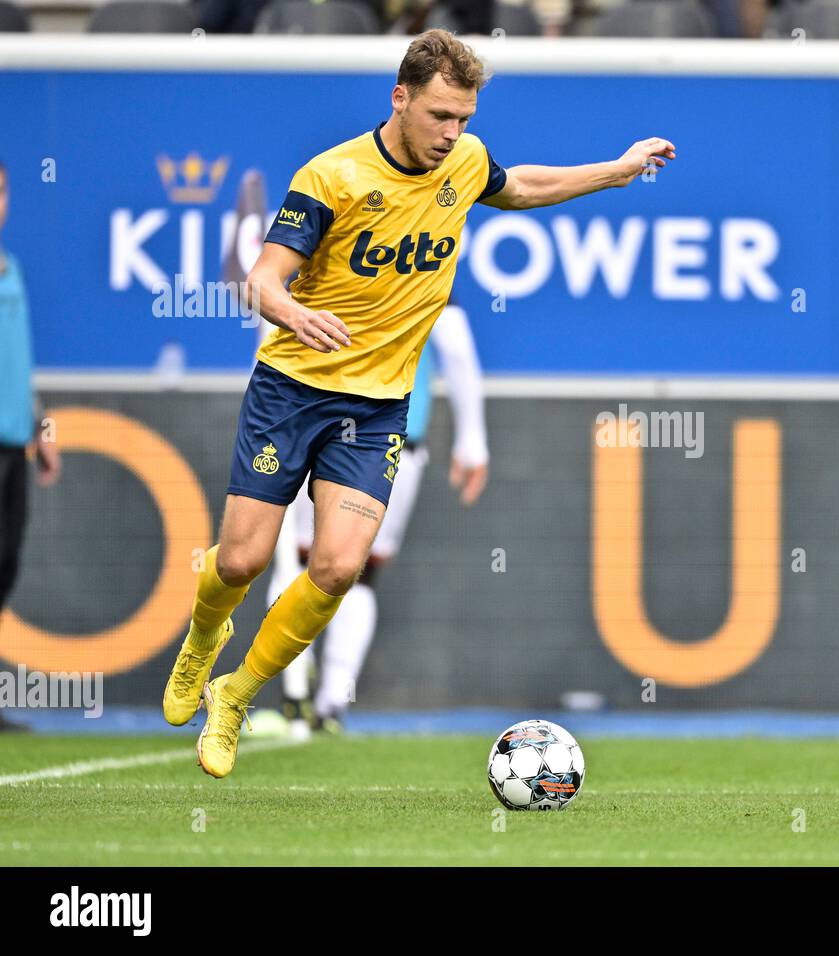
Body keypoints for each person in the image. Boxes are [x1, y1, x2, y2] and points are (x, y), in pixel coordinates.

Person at [161, 28, 676, 778]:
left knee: (336, 570)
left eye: (464, 119)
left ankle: (236, 696)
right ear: (399, 98)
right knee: (241, 560)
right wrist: (292, 312)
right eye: (440, 115)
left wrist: (615, 171)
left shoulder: (462, 163)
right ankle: (206, 634)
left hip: (376, 409)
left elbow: (519, 186)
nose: (453, 134)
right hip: (292, 388)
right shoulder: (331, 176)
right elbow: (262, 277)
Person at [266, 300, 488, 738]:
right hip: (393, 445)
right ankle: (330, 702)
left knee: (300, 560)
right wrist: (472, 439)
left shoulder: (331, 264)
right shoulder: (422, 271)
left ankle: (295, 686)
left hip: (319, 432)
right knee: (359, 575)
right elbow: (457, 347)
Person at [0, 160, 63, 733]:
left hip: (14, 444)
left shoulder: (11, 269)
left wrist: (41, 428)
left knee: (4, 564)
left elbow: (19, 367)